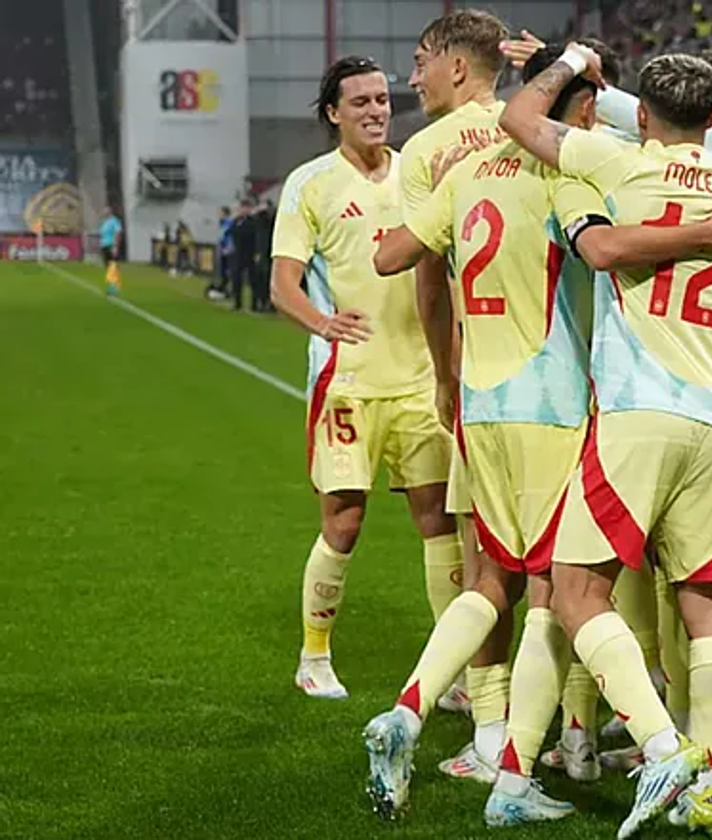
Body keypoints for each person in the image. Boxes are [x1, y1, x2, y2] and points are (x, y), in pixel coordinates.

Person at [361, 43, 712, 826]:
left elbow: (393, 255)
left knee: (494, 582)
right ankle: (542, 773)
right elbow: (605, 245)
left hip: (480, 403)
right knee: (556, 591)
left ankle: (411, 715)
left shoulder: (467, 169)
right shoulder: (583, 176)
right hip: (564, 404)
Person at [502, 47, 712, 836]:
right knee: (706, 606)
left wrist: (572, 61)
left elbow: (521, 118)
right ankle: (708, 787)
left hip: (635, 413)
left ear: (642, 115)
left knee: (577, 591)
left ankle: (660, 748)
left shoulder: (618, 162)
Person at [269, 56, 459, 702]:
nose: (377, 110)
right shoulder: (310, 184)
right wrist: (322, 323)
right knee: (344, 524)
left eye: (382, 99)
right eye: (360, 103)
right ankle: (313, 656)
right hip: (346, 382)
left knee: (439, 522)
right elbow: (282, 285)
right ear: (333, 113)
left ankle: (451, 669)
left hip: (419, 379)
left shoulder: (419, 171)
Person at [399, 9, 516, 743]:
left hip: (485, 378)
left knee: (487, 564)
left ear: (458, 66)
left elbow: (429, 277)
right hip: (574, 378)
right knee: (575, 565)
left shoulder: (428, 151)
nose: (411, 78)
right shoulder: (539, 126)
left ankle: (487, 717)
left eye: (420, 61)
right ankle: (578, 723)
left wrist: (444, 373)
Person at [231, 199, 257, 311]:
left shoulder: (253, 221)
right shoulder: (236, 221)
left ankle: (254, 305)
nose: (243, 210)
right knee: (236, 279)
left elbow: (254, 235)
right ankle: (237, 303)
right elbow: (232, 232)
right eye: (242, 208)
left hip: (250, 254)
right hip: (238, 253)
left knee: (253, 280)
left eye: (246, 208)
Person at [208, 206, 234, 300]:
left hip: (227, 250)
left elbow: (230, 236)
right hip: (222, 249)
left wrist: (228, 248)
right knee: (222, 271)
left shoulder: (229, 223)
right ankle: (222, 289)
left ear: (225, 214)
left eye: (220, 213)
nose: (219, 215)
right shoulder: (222, 223)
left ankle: (227, 290)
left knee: (226, 271)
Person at [98, 206, 123, 297]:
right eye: (103, 211)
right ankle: (111, 288)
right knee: (109, 268)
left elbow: (118, 232)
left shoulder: (114, 221)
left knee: (113, 267)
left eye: (105, 211)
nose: (103, 213)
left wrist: (115, 246)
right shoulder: (105, 222)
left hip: (111, 246)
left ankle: (114, 289)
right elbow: (103, 235)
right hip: (105, 246)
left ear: (110, 212)